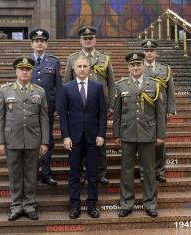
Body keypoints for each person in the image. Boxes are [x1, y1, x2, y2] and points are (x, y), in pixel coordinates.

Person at [0, 56, 49, 221]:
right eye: (21, 69)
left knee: (31, 175)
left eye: (28, 69)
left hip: (33, 139)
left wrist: (45, 141)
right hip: (12, 140)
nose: (25, 72)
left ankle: (30, 205)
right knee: (15, 175)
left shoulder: (39, 91)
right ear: (16, 71)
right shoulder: (5, 90)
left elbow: (44, 118)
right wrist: (0, 141)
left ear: (32, 71)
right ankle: (16, 206)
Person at [113, 51, 165, 218]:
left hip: (148, 134)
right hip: (127, 134)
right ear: (128, 67)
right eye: (132, 65)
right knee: (126, 171)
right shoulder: (121, 85)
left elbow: (159, 113)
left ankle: (150, 203)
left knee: (149, 171)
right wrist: (116, 134)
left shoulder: (154, 85)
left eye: (138, 64)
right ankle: (126, 203)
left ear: (143, 66)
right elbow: (117, 113)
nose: (135, 67)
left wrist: (160, 135)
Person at [65, 25, 115, 185]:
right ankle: (80, 173)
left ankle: (100, 172)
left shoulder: (105, 58)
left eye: (90, 38)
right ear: (80, 40)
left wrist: (111, 105)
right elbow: (67, 83)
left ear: (95, 40)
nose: (87, 41)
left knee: (100, 140)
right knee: (78, 141)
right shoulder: (72, 59)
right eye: (85, 38)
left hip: (99, 105)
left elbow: (111, 84)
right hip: (78, 106)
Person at [59, 55, 107, 219]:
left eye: (85, 66)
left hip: (93, 138)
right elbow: (63, 115)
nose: (81, 69)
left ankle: (92, 204)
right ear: (74, 69)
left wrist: (101, 134)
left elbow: (102, 114)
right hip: (74, 138)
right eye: (79, 66)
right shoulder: (66, 88)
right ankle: (75, 205)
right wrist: (65, 136)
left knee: (93, 174)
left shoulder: (97, 87)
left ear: (89, 68)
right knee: (74, 174)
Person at [140, 39, 175, 183]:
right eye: (146, 51)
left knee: (160, 141)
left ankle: (159, 171)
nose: (149, 53)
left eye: (151, 51)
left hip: (161, 110)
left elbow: (170, 90)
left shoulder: (164, 69)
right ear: (143, 53)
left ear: (156, 53)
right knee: (144, 141)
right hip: (145, 109)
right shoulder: (138, 67)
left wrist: (171, 109)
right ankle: (144, 172)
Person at [30, 28, 62, 186]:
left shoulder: (53, 62)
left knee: (47, 141)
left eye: (42, 41)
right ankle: (32, 172)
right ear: (32, 44)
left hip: (48, 109)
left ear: (46, 44)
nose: (39, 44)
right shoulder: (25, 61)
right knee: (30, 141)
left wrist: (58, 107)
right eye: (36, 41)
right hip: (28, 109)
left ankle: (46, 172)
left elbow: (59, 86)